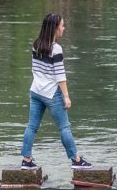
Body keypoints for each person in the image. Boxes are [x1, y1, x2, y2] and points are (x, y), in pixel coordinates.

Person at [20, 13, 91, 170]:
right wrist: (66, 96)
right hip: (52, 93)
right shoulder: (56, 49)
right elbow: (60, 75)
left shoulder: (36, 44)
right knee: (64, 128)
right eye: (62, 25)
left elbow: (36, 69)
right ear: (55, 28)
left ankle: (26, 160)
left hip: (36, 91)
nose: (64, 28)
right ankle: (77, 160)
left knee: (31, 127)